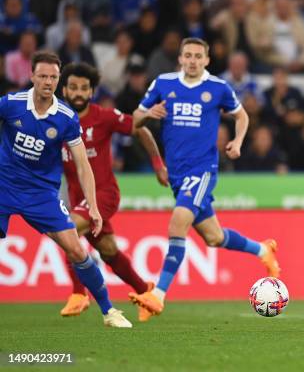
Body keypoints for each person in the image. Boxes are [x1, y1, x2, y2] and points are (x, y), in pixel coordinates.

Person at [128, 38, 280, 321]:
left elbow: (242, 116)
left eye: (199, 56)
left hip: (202, 171)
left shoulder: (218, 88)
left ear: (207, 60)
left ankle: (157, 295)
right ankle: (263, 250)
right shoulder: (163, 83)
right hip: (176, 174)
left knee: (177, 224)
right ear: (181, 59)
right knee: (214, 237)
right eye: (188, 55)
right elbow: (135, 118)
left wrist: (237, 140)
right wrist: (148, 113)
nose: (193, 60)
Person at [0, 51, 131, 327]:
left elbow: (83, 165)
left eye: (53, 77)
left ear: (58, 80)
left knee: (76, 250)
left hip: (41, 193)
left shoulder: (66, 117)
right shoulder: (11, 104)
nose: (48, 81)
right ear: (32, 76)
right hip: (4, 185)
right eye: (43, 76)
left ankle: (109, 311)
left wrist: (93, 207)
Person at [58, 62, 168, 321]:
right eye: (73, 87)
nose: (78, 93)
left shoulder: (104, 117)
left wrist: (157, 165)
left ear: (91, 92)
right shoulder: (57, 121)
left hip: (104, 195)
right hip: (77, 199)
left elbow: (139, 129)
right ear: (64, 90)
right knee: (109, 252)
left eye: (84, 88)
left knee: (67, 231)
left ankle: (78, 294)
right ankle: (146, 292)